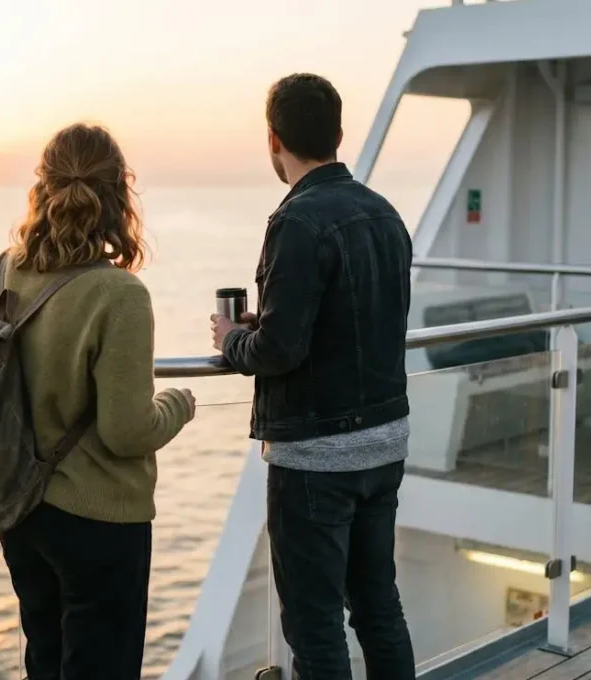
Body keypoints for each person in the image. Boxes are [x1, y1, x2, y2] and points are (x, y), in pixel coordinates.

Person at [0, 123, 196, 680]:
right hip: (101, 521)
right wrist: (179, 404)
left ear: (42, 189)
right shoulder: (119, 294)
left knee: (44, 660)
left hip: (22, 509)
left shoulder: (1, 272)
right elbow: (126, 431)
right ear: (119, 196)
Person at [210, 74, 415, 679]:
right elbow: (355, 321)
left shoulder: (296, 221)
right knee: (379, 607)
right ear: (339, 133)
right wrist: (269, 324)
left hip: (318, 459)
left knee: (314, 623)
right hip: (385, 440)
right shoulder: (385, 214)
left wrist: (234, 340)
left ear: (273, 139)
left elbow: (278, 351)